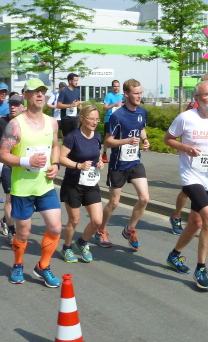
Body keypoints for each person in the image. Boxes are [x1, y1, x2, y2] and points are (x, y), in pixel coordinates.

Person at [164, 80, 208, 290]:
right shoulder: (186, 118)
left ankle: (174, 255)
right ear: (196, 98)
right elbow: (168, 139)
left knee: (195, 222)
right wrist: (185, 148)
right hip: (190, 176)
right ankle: (201, 268)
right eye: (207, 94)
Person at [0, 78, 63, 287]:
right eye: (35, 91)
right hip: (23, 188)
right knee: (23, 233)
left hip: (45, 185)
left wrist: (56, 164)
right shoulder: (16, 125)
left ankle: (43, 266)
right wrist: (27, 161)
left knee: (55, 227)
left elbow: (55, 145)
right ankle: (18, 264)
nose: (40, 94)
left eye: (42, 91)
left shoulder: (52, 122)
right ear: (25, 96)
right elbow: (2, 154)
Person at [96, 79, 150, 250]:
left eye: (140, 93)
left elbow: (141, 128)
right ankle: (101, 230)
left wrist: (145, 140)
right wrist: (126, 140)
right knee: (114, 203)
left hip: (135, 162)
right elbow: (108, 142)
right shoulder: (117, 115)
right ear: (126, 94)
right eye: (136, 93)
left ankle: (129, 229)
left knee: (144, 198)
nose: (139, 96)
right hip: (118, 164)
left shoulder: (142, 111)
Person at [169, 73, 208, 235]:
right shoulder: (191, 111)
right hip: (192, 167)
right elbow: (174, 135)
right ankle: (177, 216)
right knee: (187, 191)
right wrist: (186, 147)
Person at [58, 105, 105, 263]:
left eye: (97, 119)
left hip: (91, 183)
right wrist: (78, 165)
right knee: (74, 220)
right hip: (73, 183)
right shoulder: (73, 137)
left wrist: (99, 162)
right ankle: (67, 247)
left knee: (97, 221)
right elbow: (61, 157)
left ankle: (82, 242)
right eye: (91, 119)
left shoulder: (97, 136)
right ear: (82, 118)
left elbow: (97, 154)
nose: (94, 122)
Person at [0, 94, 25, 244]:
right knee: (10, 197)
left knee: (22, 199)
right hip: (6, 163)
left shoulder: (27, 123)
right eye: (11, 104)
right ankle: (11, 229)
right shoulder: (0, 120)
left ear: (23, 107)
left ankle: (5, 219)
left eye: (16, 105)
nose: (13, 107)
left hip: (23, 164)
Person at [101, 80, 124, 163]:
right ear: (112, 87)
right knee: (108, 138)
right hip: (109, 119)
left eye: (118, 86)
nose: (116, 88)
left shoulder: (122, 96)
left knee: (118, 137)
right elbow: (104, 108)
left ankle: (117, 154)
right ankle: (104, 154)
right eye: (115, 86)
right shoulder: (109, 96)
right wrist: (114, 105)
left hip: (119, 120)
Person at [56, 73, 81, 138]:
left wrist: (79, 105)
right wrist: (71, 105)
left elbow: (77, 101)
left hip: (75, 117)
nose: (77, 82)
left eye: (77, 80)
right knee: (67, 138)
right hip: (66, 118)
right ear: (70, 81)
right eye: (75, 80)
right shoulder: (64, 91)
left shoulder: (77, 91)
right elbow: (59, 105)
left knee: (76, 136)